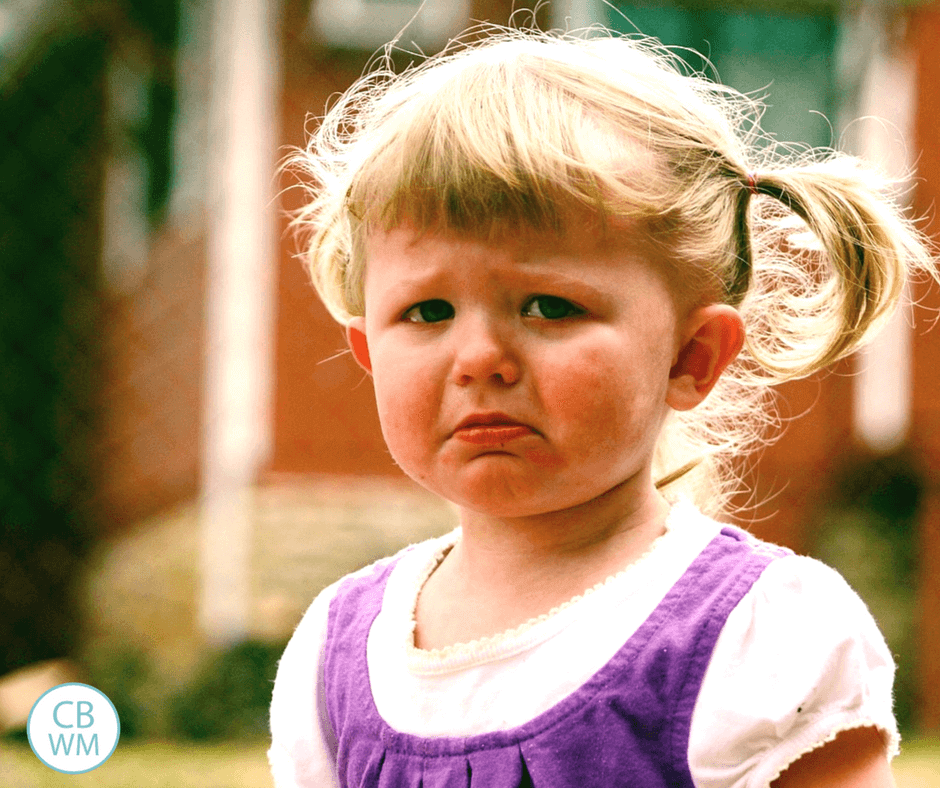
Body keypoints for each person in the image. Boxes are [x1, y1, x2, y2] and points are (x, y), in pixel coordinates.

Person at [268, 25, 935, 788]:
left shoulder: (761, 635)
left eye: (548, 305)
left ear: (691, 357)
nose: (479, 356)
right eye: (426, 312)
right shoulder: (337, 650)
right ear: (368, 351)